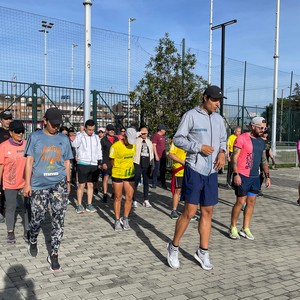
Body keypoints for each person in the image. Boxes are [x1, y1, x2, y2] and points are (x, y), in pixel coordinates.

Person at [167, 85, 227, 271]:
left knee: (208, 212)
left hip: (212, 172)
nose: (217, 104)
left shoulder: (219, 119)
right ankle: (173, 247)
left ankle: (203, 251)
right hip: (194, 169)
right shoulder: (190, 115)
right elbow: (178, 139)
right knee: (190, 212)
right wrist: (198, 147)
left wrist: (223, 152)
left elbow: (223, 140)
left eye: (219, 101)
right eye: (214, 100)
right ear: (205, 98)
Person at [23, 107, 73, 272]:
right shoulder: (35, 137)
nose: (56, 127)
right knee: (38, 217)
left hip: (58, 182)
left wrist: (68, 181)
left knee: (59, 218)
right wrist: (27, 183)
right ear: (44, 121)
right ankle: (33, 238)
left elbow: (66, 162)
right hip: (39, 184)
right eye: (53, 124)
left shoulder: (64, 139)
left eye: (58, 124)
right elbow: (29, 161)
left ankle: (54, 253)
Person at [229, 117, 271, 241]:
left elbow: (264, 160)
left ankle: (245, 228)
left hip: (255, 177)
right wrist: (235, 174)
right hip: (242, 175)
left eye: (265, 128)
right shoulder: (241, 138)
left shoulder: (261, 141)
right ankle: (232, 227)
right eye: (261, 127)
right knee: (240, 202)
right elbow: (234, 157)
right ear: (253, 126)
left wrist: (267, 176)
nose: (263, 130)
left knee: (251, 202)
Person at [0, 120, 28, 243]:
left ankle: (28, 230)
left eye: (22, 132)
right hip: (10, 183)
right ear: (10, 132)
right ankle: (10, 232)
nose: (20, 134)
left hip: (25, 183)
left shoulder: (27, 144)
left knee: (27, 208)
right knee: (11, 208)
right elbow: (0, 166)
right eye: (17, 132)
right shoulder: (3, 146)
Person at [72, 120, 102, 214]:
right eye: (89, 129)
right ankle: (79, 205)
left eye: (92, 129)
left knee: (90, 184)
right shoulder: (81, 135)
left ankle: (89, 204)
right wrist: (80, 133)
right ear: (85, 128)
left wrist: (99, 161)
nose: (91, 131)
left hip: (93, 164)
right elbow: (74, 144)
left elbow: (99, 149)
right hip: (83, 163)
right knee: (81, 184)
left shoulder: (96, 137)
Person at [109, 128, 136, 231]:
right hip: (118, 174)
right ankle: (116, 220)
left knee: (129, 197)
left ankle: (125, 218)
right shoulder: (115, 146)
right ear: (124, 136)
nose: (131, 142)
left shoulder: (133, 145)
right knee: (118, 197)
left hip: (130, 174)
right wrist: (115, 170)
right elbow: (111, 160)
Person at [133, 126, 154, 208]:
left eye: (146, 132)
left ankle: (146, 199)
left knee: (146, 182)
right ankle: (134, 199)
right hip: (137, 163)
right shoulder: (136, 141)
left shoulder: (149, 142)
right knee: (135, 182)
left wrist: (152, 164)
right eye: (143, 132)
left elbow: (151, 153)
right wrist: (139, 133)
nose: (145, 133)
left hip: (147, 164)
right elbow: (132, 136)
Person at [0, 110, 13, 223]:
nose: (8, 121)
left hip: (11, 166)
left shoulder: (14, 132)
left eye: (10, 118)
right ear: (1, 121)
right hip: (1, 164)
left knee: (8, 188)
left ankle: (6, 207)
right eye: (6, 119)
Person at [100, 124, 119, 203]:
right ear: (107, 131)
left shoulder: (116, 139)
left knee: (114, 179)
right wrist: (103, 163)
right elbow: (101, 152)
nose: (112, 131)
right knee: (106, 177)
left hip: (115, 161)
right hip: (106, 161)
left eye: (113, 130)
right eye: (110, 130)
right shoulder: (103, 140)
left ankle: (114, 193)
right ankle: (105, 194)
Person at [168, 141, 186, 219]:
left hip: (190, 171)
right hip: (179, 170)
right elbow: (171, 154)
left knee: (189, 191)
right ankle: (174, 210)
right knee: (177, 190)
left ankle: (187, 211)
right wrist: (182, 162)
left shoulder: (192, 140)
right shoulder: (175, 142)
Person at [151, 125, 167, 189]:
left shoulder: (163, 137)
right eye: (164, 130)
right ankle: (154, 183)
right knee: (156, 169)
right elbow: (154, 146)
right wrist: (156, 155)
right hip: (158, 155)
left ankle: (163, 183)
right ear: (161, 130)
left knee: (163, 170)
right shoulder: (155, 136)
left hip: (163, 156)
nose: (165, 131)